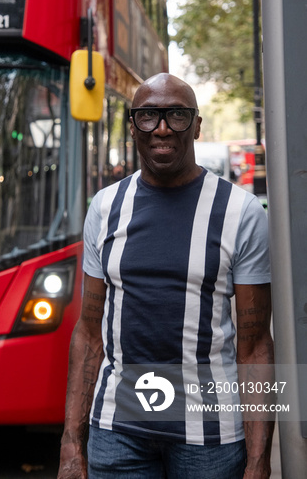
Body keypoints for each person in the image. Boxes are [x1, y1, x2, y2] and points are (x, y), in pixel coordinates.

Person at [58, 73, 273, 479]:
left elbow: (256, 346)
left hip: (210, 438)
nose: (162, 128)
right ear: (132, 123)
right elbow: (89, 334)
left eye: (176, 115)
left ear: (196, 125)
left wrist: (259, 461)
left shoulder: (240, 212)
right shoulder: (105, 207)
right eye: (148, 116)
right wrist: (72, 442)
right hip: (117, 431)